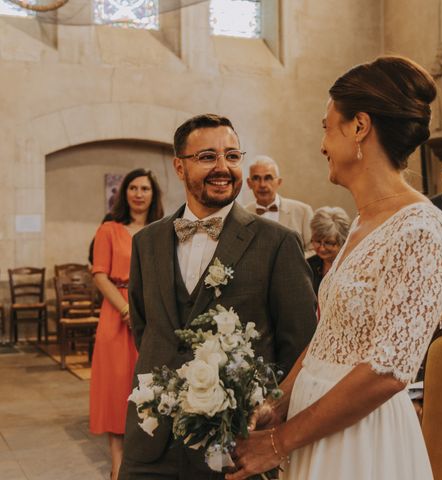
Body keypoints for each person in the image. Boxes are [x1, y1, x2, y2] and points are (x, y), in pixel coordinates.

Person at [227, 56, 442, 480]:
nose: (322, 144)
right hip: (316, 424)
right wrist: (279, 401)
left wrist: (281, 442)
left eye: (326, 127)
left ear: (359, 127)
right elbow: (328, 338)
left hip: (362, 439)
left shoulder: (422, 229)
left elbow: (386, 372)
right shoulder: (360, 222)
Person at [118, 114, 317, 480]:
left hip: (235, 449)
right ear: (179, 166)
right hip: (150, 444)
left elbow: (300, 348)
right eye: (207, 157)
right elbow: (146, 330)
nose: (223, 167)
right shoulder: (146, 242)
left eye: (232, 156)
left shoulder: (277, 243)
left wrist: (270, 428)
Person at [90, 168, 165, 480]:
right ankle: (118, 467)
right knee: (116, 387)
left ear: (153, 194)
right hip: (117, 315)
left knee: (150, 386)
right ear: (124, 194)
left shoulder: (162, 229)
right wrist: (125, 310)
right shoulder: (109, 229)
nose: (138, 193)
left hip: (154, 315)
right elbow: (99, 274)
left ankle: (148, 460)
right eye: (133, 188)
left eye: (144, 188)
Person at [244, 155, 315, 254]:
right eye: (256, 178)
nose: (262, 185)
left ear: (279, 182)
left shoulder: (303, 212)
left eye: (268, 178)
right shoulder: (242, 215)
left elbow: (313, 251)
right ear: (249, 183)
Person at [307, 207, 351, 294]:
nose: (322, 248)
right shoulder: (308, 265)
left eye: (329, 243)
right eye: (317, 241)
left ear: (343, 241)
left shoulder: (351, 266)